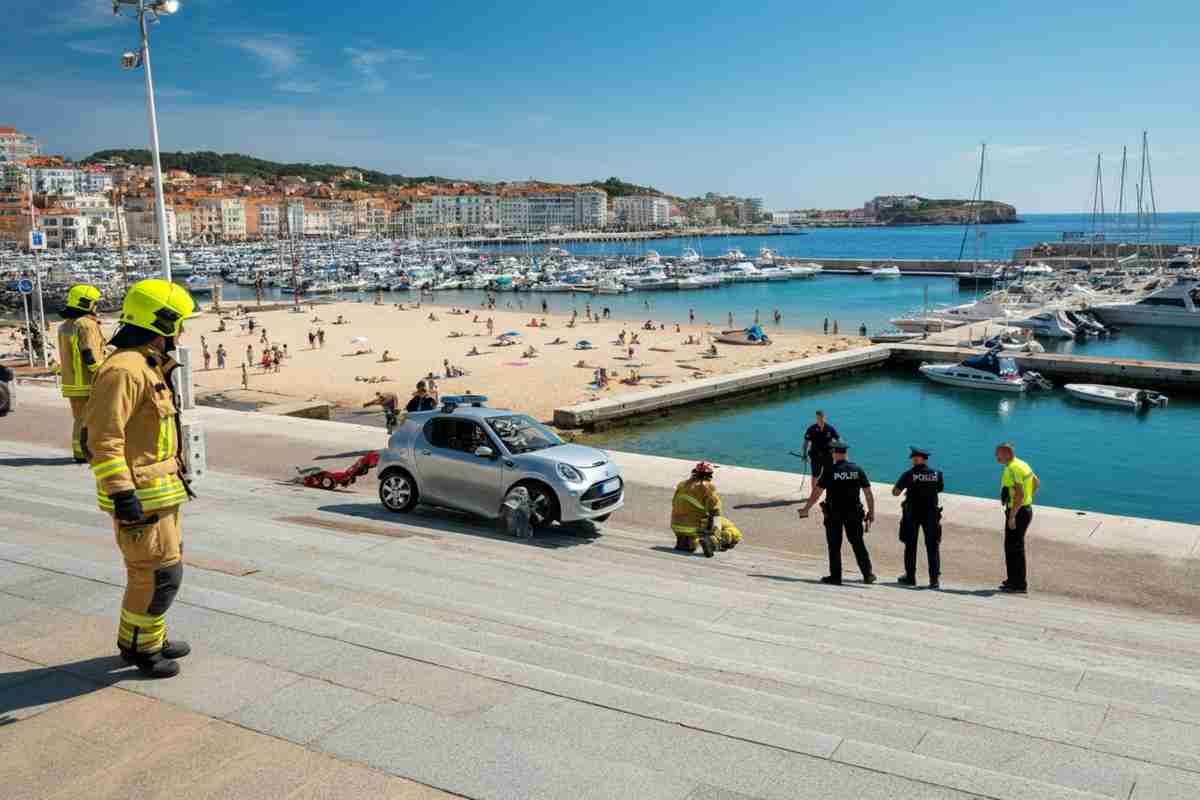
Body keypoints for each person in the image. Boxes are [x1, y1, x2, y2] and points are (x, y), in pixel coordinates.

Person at [81, 279, 197, 679]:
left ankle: (146, 638)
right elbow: (103, 438)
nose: (181, 332)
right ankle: (142, 649)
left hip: (160, 492)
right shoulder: (125, 370)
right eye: (179, 324)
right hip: (141, 495)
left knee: (160, 571)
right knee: (157, 575)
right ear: (161, 322)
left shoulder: (145, 364)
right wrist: (122, 493)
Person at [797, 440, 876, 585]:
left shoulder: (830, 471)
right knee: (858, 543)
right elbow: (868, 493)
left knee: (834, 545)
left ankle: (836, 576)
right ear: (846, 453)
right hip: (854, 513)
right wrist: (871, 512)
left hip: (834, 514)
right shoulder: (857, 470)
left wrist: (806, 508)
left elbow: (817, 492)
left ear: (834, 453)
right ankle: (868, 574)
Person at [56, 284, 105, 462]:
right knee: (90, 419)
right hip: (86, 381)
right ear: (87, 304)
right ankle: (86, 452)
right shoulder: (86, 324)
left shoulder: (64, 326)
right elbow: (89, 354)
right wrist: (101, 373)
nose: (96, 307)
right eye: (95, 303)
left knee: (79, 419)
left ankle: (79, 451)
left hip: (71, 381)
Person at [893, 446, 944, 589]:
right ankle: (934, 580)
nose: (912, 460)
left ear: (918, 459)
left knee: (910, 546)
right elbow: (939, 488)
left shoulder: (909, 474)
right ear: (926, 460)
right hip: (931, 514)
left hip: (912, 514)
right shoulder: (937, 474)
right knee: (933, 547)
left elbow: (895, 492)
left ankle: (910, 577)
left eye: (914, 458)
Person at [670, 462, 742, 558]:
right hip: (695, 526)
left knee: (691, 543)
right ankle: (714, 542)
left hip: (676, 525)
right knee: (733, 531)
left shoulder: (682, 485)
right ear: (710, 475)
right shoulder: (708, 488)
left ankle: (685, 543)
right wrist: (715, 534)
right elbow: (715, 513)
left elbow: (674, 504)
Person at [997, 442, 1039, 593]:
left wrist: (1012, 516)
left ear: (1007, 453)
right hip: (1025, 510)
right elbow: (1036, 483)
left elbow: (1019, 494)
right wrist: (1027, 499)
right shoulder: (1023, 464)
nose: (996, 457)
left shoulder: (1012, 469)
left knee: (1013, 548)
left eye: (999, 454)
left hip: (1017, 512)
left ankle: (1018, 584)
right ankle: (1013, 580)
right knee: (1014, 547)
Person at [802, 410, 839, 485]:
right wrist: (804, 454)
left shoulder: (830, 428)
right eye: (818, 418)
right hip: (816, 456)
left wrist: (840, 453)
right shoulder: (811, 429)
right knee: (815, 475)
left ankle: (830, 493)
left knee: (829, 474)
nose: (820, 419)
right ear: (816, 418)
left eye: (821, 417)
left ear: (824, 417)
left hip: (828, 456)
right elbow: (805, 443)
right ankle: (814, 493)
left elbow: (839, 440)